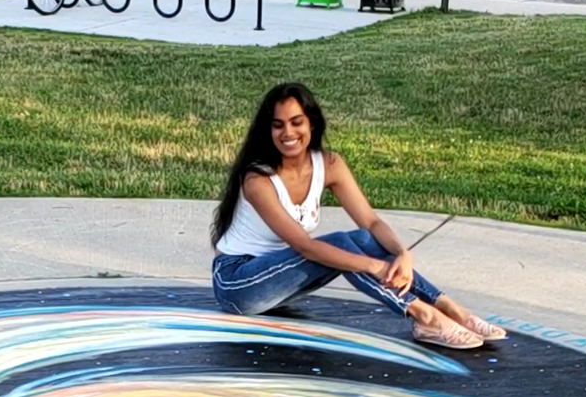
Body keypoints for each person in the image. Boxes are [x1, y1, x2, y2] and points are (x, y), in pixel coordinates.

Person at [210, 82, 505, 349]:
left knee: (362, 238)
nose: (288, 133)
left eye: (296, 122)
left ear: (311, 122)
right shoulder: (258, 179)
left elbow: (371, 222)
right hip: (238, 284)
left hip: (281, 280)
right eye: (278, 125)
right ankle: (425, 315)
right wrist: (374, 266)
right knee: (340, 244)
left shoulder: (330, 164)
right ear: (268, 130)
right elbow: (305, 247)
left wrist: (402, 254)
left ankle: (451, 309)